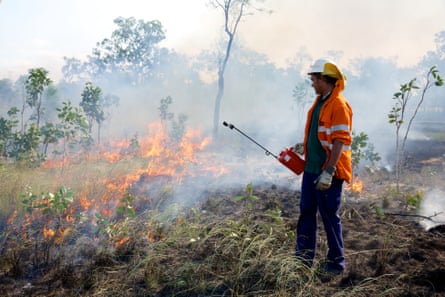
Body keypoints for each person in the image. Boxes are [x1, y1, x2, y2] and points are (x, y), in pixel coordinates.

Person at [294, 58, 353, 278]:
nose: (312, 84)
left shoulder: (339, 104)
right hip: (311, 169)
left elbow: (340, 141)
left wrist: (329, 172)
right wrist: (306, 143)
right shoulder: (320, 102)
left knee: (329, 216)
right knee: (306, 213)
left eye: (314, 79)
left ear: (324, 79)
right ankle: (303, 258)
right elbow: (320, 133)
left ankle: (336, 263)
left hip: (327, 172)